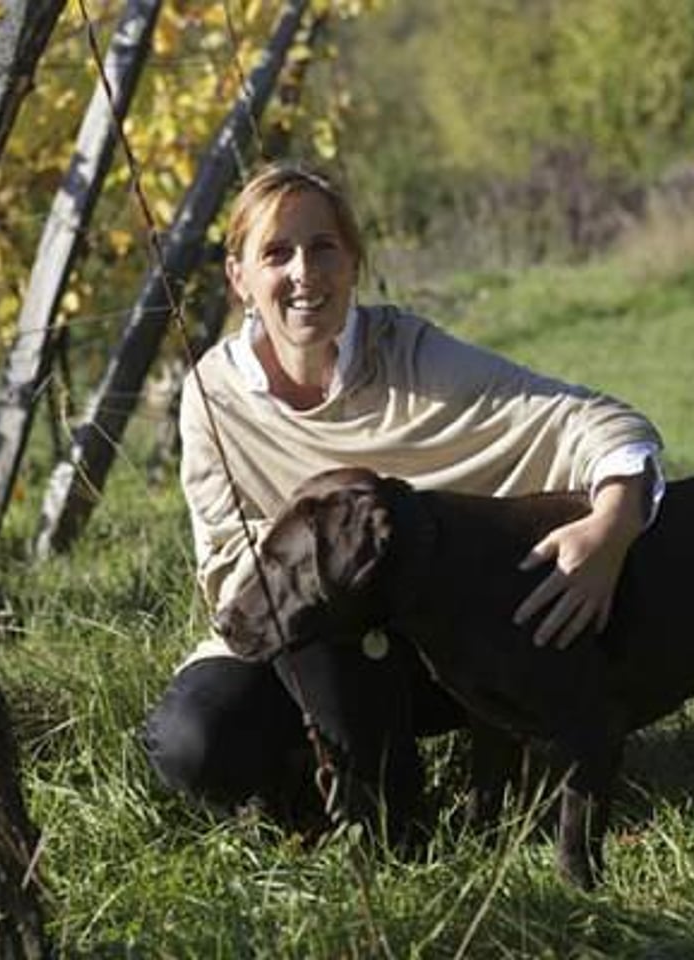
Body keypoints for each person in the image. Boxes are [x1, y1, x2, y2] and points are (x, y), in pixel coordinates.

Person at [143, 160, 664, 838]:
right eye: (276, 253)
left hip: (433, 645)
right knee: (195, 740)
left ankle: (396, 822)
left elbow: (596, 421)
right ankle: (325, 797)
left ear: (353, 261)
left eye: (323, 248)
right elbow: (223, 563)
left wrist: (613, 527)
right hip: (292, 639)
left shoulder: (412, 356)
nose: (304, 273)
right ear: (239, 277)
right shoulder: (213, 395)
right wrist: (327, 560)